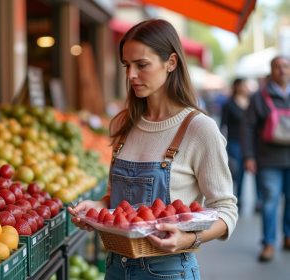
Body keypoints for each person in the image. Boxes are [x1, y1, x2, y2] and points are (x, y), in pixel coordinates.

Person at [68, 19, 238, 279]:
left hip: (168, 271)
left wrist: (189, 239)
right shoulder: (124, 123)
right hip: (115, 268)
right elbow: (118, 200)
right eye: (127, 65)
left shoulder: (199, 128)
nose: (130, 75)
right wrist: (95, 207)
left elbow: (226, 209)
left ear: (171, 63)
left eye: (141, 65)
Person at [241, 56, 290, 262]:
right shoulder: (259, 97)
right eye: (277, 67)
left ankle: (288, 236)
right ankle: (269, 243)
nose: (282, 71)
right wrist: (249, 156)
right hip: (268, 159)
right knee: (270, 201)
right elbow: (248, 127)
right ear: (271, 71)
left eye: (286, 67)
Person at [220, 78, 251, 208]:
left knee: (244, 172)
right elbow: (223, 125)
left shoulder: (250, 102)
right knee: (235, 172)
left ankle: (241, 198)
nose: (246, 87)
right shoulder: (229, 104)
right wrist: (223, 146)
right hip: (233, 143)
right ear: (237, 86)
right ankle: (231, 199)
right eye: (244, 84)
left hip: (248, 143)